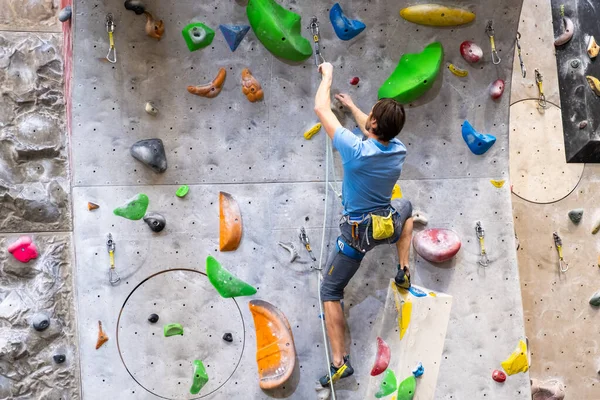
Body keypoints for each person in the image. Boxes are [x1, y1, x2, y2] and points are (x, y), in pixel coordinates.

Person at [313, 62, 414, 387]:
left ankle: (340, 362)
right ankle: (403, 269)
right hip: (386, 225)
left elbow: (319, 107)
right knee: (408, 208)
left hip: (356, 236)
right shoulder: (398, 151)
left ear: (372, 124)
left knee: (330, 291)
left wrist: (327, 76)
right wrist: (355, 107)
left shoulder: (354, 150)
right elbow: (374, 132)